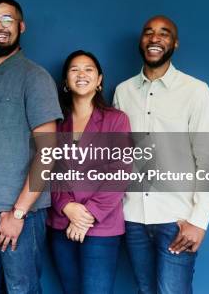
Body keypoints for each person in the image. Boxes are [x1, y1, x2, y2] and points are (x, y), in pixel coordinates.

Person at [0, 0, 63, 293]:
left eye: (6, 19)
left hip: (20, 215)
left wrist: (18, 212)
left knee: (22, 289)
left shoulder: (35, 77)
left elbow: (49, 152)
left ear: (21, 26)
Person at [113, 15, 209, 294]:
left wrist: (199, 221)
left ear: (174, 43)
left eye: (164, 33)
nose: (154, 38)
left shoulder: (196, 92)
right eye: (148, 32)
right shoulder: (123, 92)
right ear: (141, 41)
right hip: (133, 218)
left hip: (176, 220)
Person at [48, 50, 131, 294]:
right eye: (74, 69)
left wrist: (88, 215)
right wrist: (66, 207)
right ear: (65, 81)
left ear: (99, 79)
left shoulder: (116, 119)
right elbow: (48, 169)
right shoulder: (56, 122)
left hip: (102, 227)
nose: (81, 74)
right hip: (61, 223)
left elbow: (120, 172)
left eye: (88, 69)